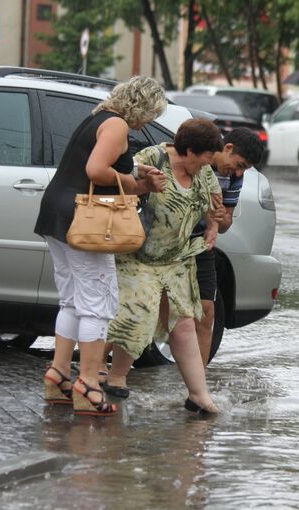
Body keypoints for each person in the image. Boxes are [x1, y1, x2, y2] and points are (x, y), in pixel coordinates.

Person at [34, 76, 168, 416]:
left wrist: (136, 172)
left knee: (72, 301)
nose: (147, 123)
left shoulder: (97, 118)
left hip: (59, 215)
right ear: (141, 106)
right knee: (98, 304)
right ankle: (89, 384)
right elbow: (96, 169)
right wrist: (134, 182)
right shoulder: (117, 125)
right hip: (85, 221)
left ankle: (59, 375)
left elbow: (93, 163)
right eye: (150, 115)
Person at [104, 118, 224, 414]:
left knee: (183, 323)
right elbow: (117, 183)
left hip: (176, 258)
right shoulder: (153, 158)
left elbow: (215, 204)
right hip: (138, 255)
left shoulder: (204, 171)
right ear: (190, 150)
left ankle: (198, 394)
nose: (208, 164)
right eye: (206, 157)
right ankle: (114, 376)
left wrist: (213, 227)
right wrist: (144, 183)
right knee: (138, 312)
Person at [192, 128, 264, 366]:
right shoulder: (196, 159)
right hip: (171, 245)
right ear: (228, 148)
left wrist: (221, 217)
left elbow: (225, 224)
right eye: (239, 164)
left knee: (206, 312)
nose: (239, 172)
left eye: (245, 169)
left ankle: (198, 385)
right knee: (146, 307)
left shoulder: (234, 176)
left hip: (202, 245)